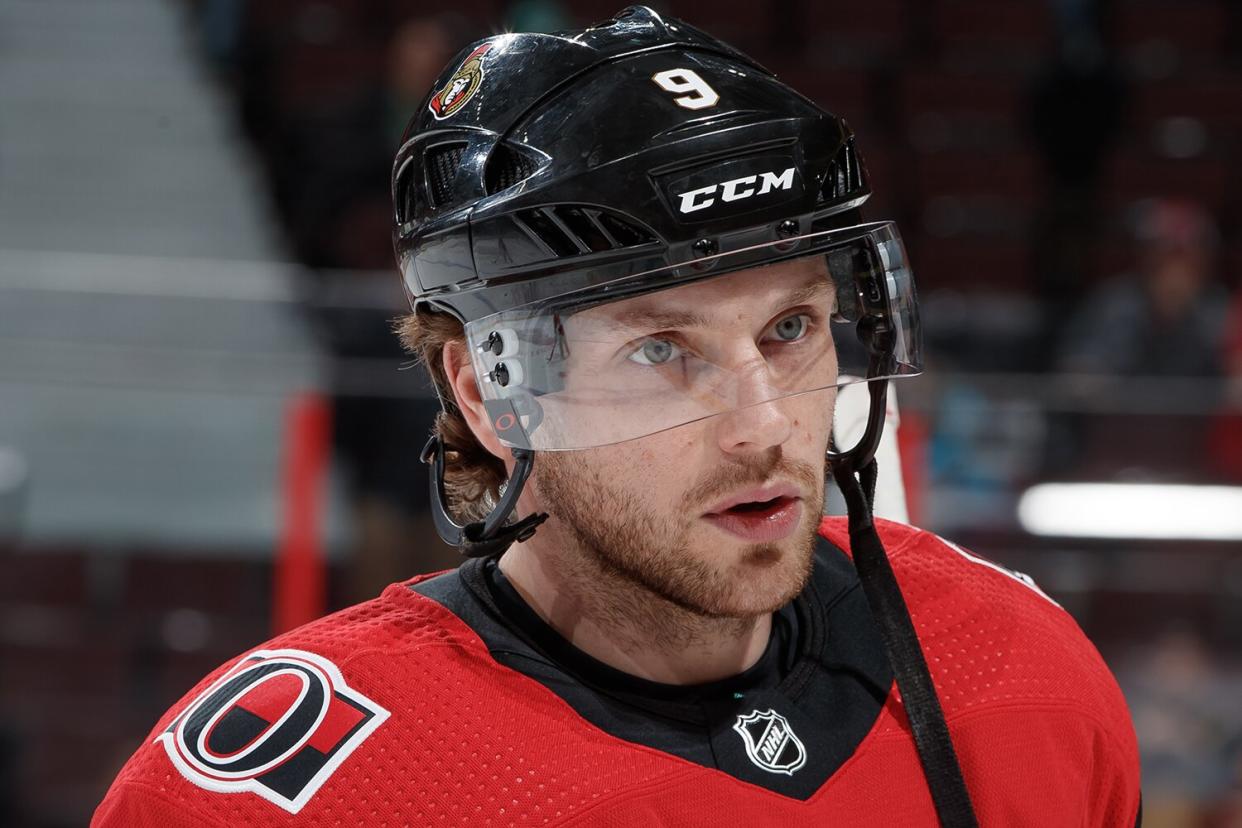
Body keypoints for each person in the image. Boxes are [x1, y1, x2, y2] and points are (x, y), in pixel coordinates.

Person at [93, 7, 1142, 825]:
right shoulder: (304, 793)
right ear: (489, 392)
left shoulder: (1014, 669)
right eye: (661, 351)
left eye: (789, 330)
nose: (763, 426)